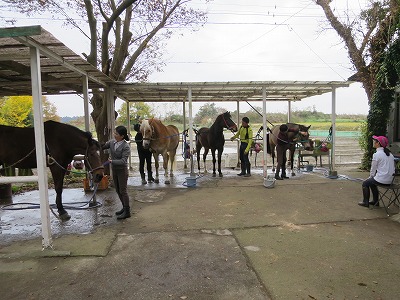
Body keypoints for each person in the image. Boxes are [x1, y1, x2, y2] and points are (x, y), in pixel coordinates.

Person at [102, 126, 131, 219]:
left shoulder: (126, 146)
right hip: (114, 170)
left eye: (116, 134)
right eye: (114, 133)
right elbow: (103, 146)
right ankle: (124, 207)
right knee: (118, 190)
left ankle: (127, 211)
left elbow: (123, 161)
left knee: (123, 190)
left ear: (122, 136)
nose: (114, 135)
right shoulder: (111, 142)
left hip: (122, 171)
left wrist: (111, 161)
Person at [358, 135, 395, 208]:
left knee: (365, 183)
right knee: (372, 182)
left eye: (375, 141)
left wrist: (370, 177)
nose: (374, 142)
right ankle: (375, 201)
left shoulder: (377, 154)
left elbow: (373, 169)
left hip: (382, 180)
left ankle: (366, 202)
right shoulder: (390, 155)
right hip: (391, 180)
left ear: (378, 143)